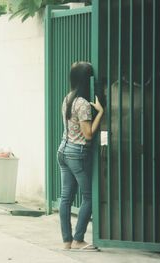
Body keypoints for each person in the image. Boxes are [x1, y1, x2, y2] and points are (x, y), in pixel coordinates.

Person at [57, 61, 103, 251]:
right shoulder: (82, 103)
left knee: (65, 198)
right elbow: (88, 134)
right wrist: (101, 112)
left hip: (63, 150)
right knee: (89, 197)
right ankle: (78, 240)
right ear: (87, 80)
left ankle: (67, 241)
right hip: (77, 153)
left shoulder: (68, 98)